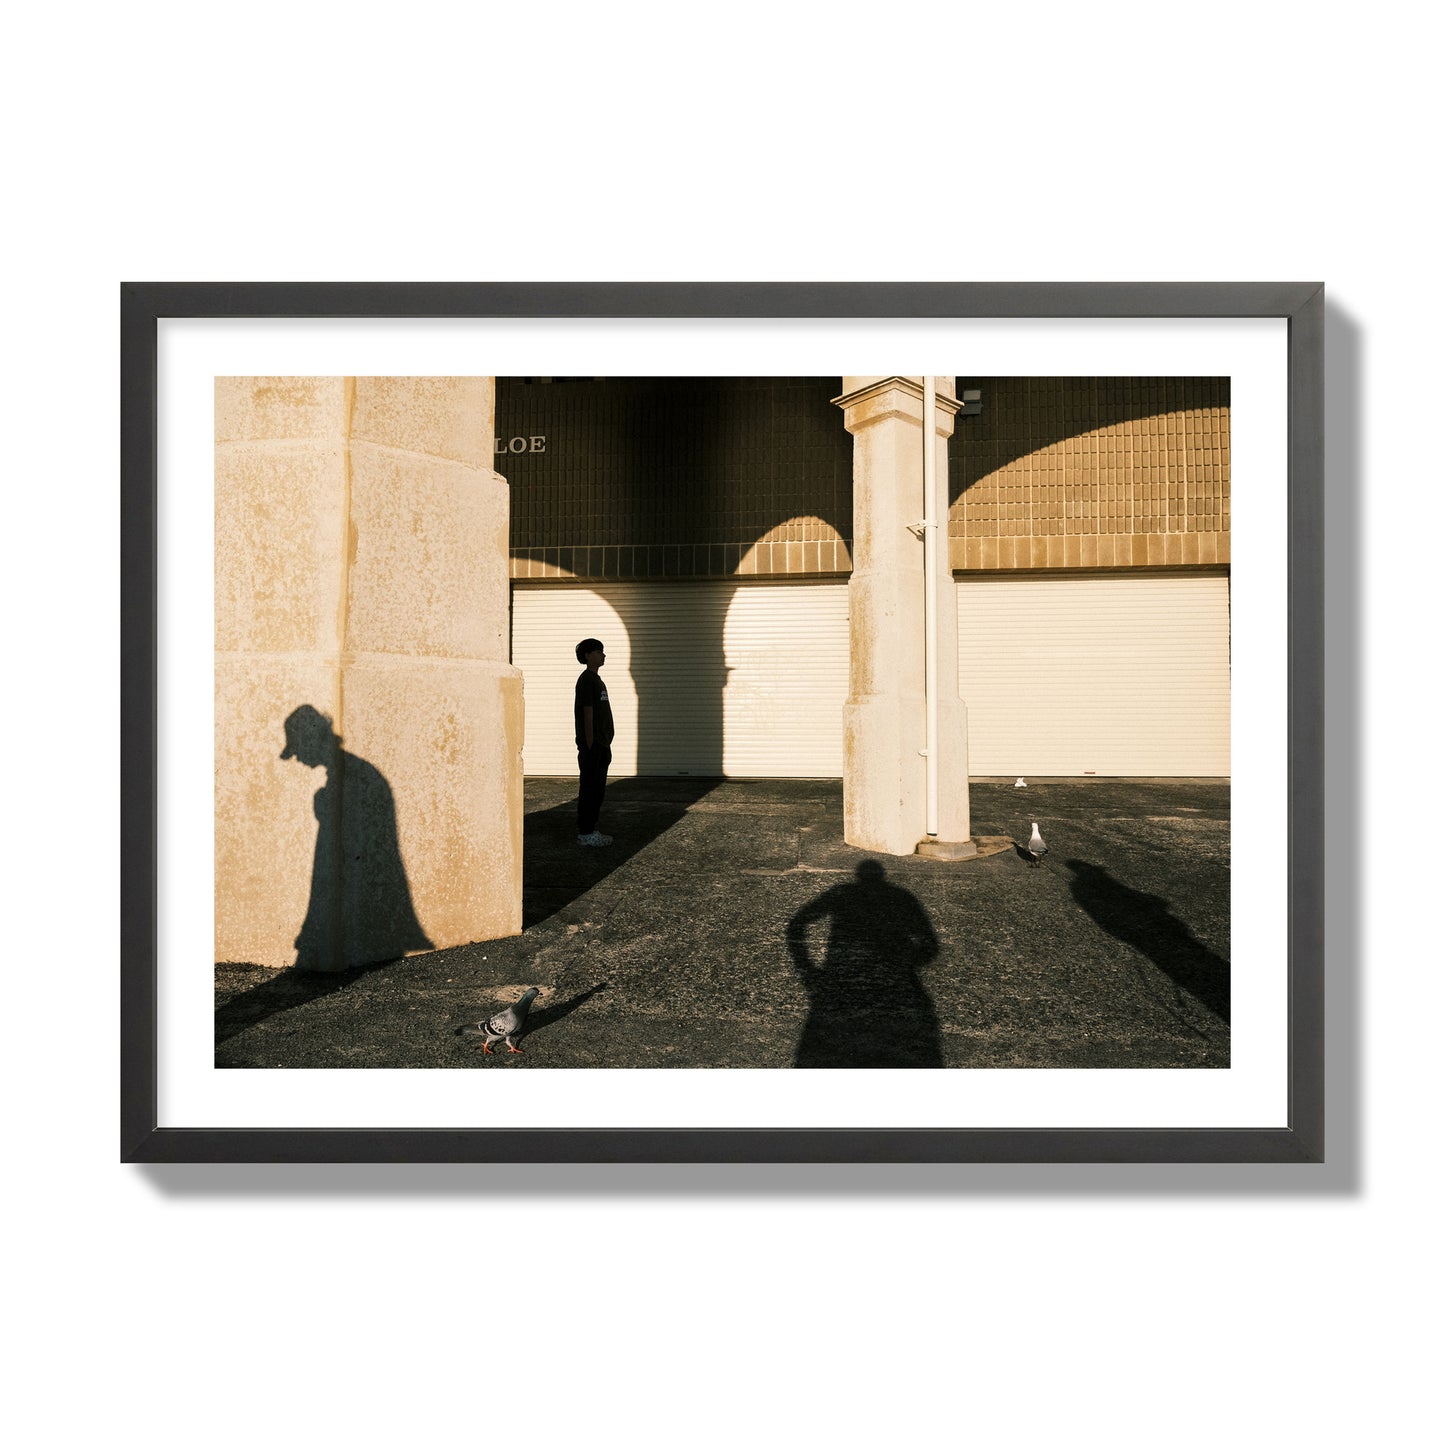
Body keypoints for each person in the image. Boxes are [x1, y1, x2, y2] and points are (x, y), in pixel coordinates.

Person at [573, 638, 614, 846]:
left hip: (601, 744)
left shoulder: (596, 680)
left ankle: (591, 829)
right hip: (594, 746)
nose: (603, 655)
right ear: (588, 655)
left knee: (597, 789)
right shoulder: (587, 680)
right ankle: (587, 833)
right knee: (590, 789)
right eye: (598, 652)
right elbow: (587, 713)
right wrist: (590, 745)